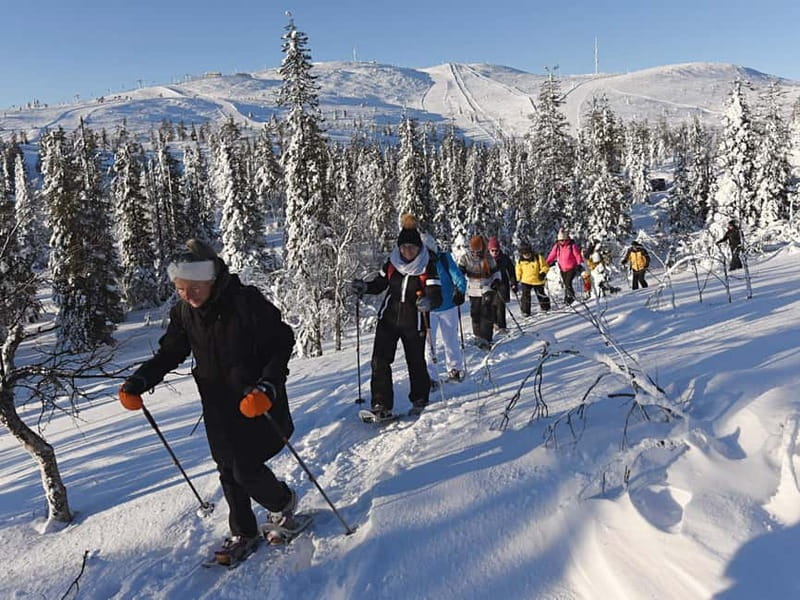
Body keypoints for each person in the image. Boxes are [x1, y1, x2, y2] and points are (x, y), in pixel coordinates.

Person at [118, 239, 297, 565]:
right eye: (180, 287)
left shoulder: (246, 302)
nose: (188, 294)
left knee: (245, 468)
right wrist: (139, 382)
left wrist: (268, 387)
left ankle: (283, 503)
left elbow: (281, 341)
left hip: (255, 400)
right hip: (217, 404)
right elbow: (171, 352)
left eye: (194, 286)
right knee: (227, 469)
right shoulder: (185, 313)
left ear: (211, 278)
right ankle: (244, 531)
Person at [351, 215, 442, 418]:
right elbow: (380, 284)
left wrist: (428, 301)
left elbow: (437, 295)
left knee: (415, 360)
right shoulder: (392, 264)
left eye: (412, 247)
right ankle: (380, 404)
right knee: (379, 360)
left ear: (419, 248)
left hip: (414, 320)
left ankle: (420, 398)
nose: (407, 251)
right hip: (389, 319)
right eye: (404, 247)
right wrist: (365, 287)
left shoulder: (427, 266)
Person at [421, 232, 467, 386]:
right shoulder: (417, 263)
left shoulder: (444, 258)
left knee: (450, 340)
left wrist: (460, 292)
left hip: (448, 306)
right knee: (428, 344)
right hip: (428, 310)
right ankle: (431, 376)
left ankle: (455, 369)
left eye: (428, 250)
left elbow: (458, 276)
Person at [458, 235, 501, 349]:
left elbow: (496, 272)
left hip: (487, 286)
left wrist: (496, 280)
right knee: (475, 313)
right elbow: (459, 272)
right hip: (473, 289)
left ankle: (486, 338)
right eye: (473, 252)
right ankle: (478, 336)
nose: (476, 254)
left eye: (478, 252)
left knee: (486, 312)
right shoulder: (465, 258)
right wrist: (458, 278)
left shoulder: (488, 258)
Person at [546, 229, 584, 305]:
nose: (562, 242)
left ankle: (571, 298)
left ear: (567, 239)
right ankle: (567, 297)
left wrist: (579, 264)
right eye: (560, 240)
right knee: (566, 283)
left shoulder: (571, 245)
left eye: (563, 240)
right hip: (562, 268)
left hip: (572, 267)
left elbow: (577, 255)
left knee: (568, 283)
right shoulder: (557, 246)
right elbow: (552, 255)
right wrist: (546, 263)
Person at [487, 236, 517, 332]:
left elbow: (511, 270)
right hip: (489, 285)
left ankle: (502, 326)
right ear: (489, 250)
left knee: (500, 305)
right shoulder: (485, 259)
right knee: (491, 305)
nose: (495, 252)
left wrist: (513, 283)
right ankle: (494, 323)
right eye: (492, 250)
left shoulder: (504, 258)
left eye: (496, 250)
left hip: (502, 284)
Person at [515, 242, 550, 316]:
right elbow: (518, 271)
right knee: (525, 296)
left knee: (540, 294)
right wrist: (517, 280)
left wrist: (543, 273)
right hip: (526, 281)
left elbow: (545, 266)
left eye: (528, 253)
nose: (526, 255)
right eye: (524, 254)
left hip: (538, 280)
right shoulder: (520, 261)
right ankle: (525, 311)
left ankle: (545, 307)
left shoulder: (538, 257)